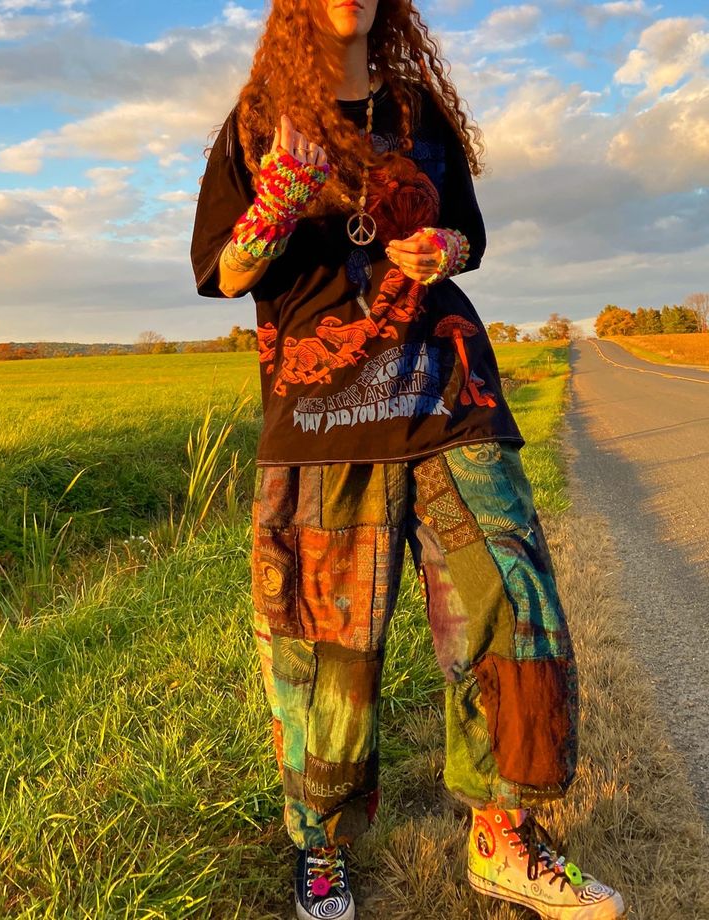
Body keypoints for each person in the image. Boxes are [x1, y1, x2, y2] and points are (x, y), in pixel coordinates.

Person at [190, 0, 626, 918]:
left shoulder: (418, 111)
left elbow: (472, 234)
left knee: (513, 604)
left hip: (448, 393)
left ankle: (505, 836)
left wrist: (446, 249)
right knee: (327, 653)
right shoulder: (260, 118)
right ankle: (323, 847)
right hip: (323, 419)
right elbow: (224, 271)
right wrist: (277, 198)